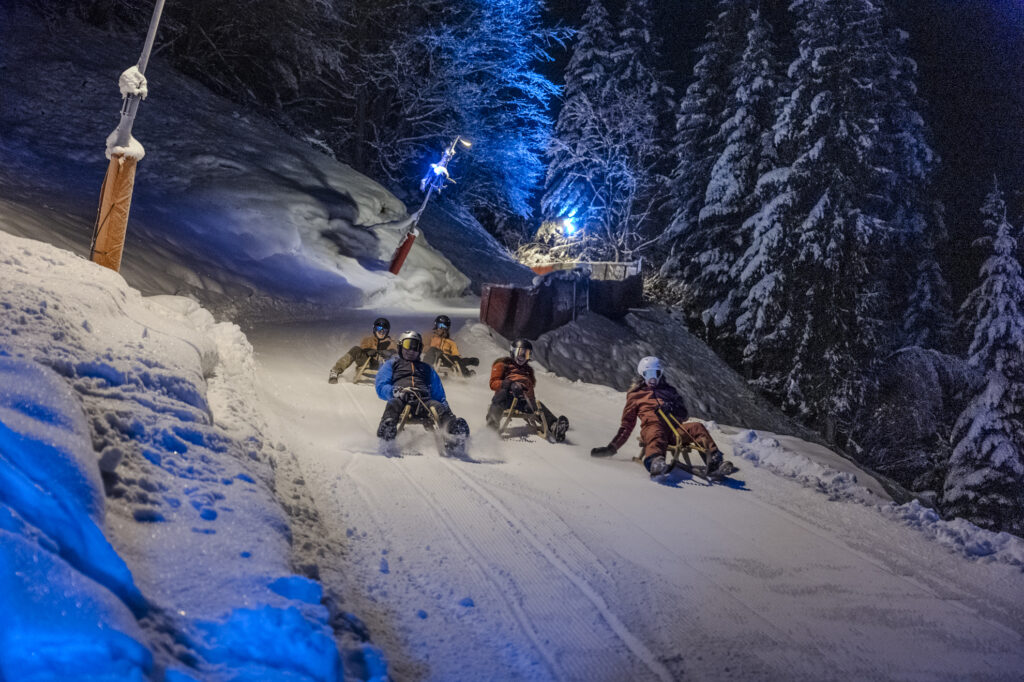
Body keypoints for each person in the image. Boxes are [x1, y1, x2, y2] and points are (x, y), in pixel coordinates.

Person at [590, 356, 726, 477]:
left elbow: (684, 414)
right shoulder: (636, 395)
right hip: (651, 429)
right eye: (648, 374)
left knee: (697, 427)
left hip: (674, 431)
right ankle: (655, 461)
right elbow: (627, 425)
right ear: (641, 375)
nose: (652, 378)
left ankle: (714, 461)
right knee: (657, 432)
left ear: (660, 373)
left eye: (656, 373)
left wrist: (672, 408)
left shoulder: (669, 391)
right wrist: (611, 448)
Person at [375, 331, 470, 443]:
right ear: (400, 346)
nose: (411, 350)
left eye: (416, 347)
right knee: (393, 403)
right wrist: (396, 392)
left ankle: (454, 430)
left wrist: (448, 412)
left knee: (438, 407)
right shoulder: (393, 363)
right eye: (407, 345)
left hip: (425, 402)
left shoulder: (427, 368)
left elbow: (439, 394)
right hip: (402, 397)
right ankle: (387, 428)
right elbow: (381, 386)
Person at [486, 339, 569, 442]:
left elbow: (530, 388)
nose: (522, 357)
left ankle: (554, 426)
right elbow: (493, 383)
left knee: (538, 405)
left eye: (526, 354)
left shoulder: (528, 370)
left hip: (522, 400)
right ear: (513, 352)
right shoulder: (502, 364)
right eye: (520, 353)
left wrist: (531, 402)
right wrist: (509, 384)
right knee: (501, 395)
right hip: (506, 399)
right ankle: (491, 427)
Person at [329, 317, 396, 383]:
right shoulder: (369, 340)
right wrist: (368, 351)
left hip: (382, 368)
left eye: (384, 330)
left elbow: (396, 351)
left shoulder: (391, 343)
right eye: (379, 328)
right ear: (374, 329)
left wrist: (390, 352)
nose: (381, 332)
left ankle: (398, 379)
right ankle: (335, 371)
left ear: (387, 332)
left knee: (396, 359)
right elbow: (364, 346)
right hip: (367, 364)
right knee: (356, 349)